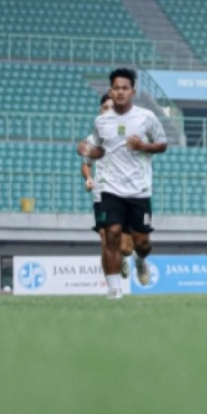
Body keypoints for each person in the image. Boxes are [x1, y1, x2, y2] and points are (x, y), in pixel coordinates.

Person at [76, 69, 167, 300]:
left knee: (142, 243)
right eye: (116, 88)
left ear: (133, 91)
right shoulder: (101, 122)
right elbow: (99, 151)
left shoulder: (146, 117)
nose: (120, 92)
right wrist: (88, 152)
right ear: (110, 91)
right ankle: (114, 289)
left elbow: (162, 144)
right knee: (112, 235)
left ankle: (140, 260)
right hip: (109, 188)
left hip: (139, 189)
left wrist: (143, 146)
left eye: (125, 88)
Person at [80, 93, 139, 284]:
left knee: (125, 248)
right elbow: (86, 164)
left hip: (125, 195)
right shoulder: (92, 139)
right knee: (105, 239)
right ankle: (112, 288)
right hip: (102, 196)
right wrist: (89, 178)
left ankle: (130, 257)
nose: (108, 112)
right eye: (105, 108)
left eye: (112, 108)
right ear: (100, 110)